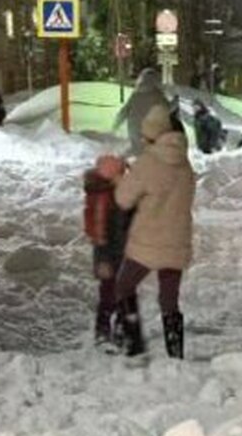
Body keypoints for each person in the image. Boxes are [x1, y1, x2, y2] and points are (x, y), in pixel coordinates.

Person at [112, 104, 197, 358]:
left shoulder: (148, 163)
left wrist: (123, 178)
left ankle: (132, 342)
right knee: (169, 300)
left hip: (147, 243)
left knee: (124, 287)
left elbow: (123, 199)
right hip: (177, 241)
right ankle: (175, 352)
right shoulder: (184, 162)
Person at [83, 154, 135, 351]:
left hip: (124, 254)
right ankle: (103, 332)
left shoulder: (118, 194)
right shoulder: (104, 199)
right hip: (109, 258)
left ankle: (122, 330)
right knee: (109, 295)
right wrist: (103, 260)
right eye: (122, 174)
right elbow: (99, 234)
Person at [113, 68, 169, 155]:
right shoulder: (158, 96)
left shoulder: (135, 95)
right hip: (151, 132)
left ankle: (123, 159)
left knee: (136, 148)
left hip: (134, 130)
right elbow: (168, 109)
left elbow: (124, 112)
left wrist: (116, 124)